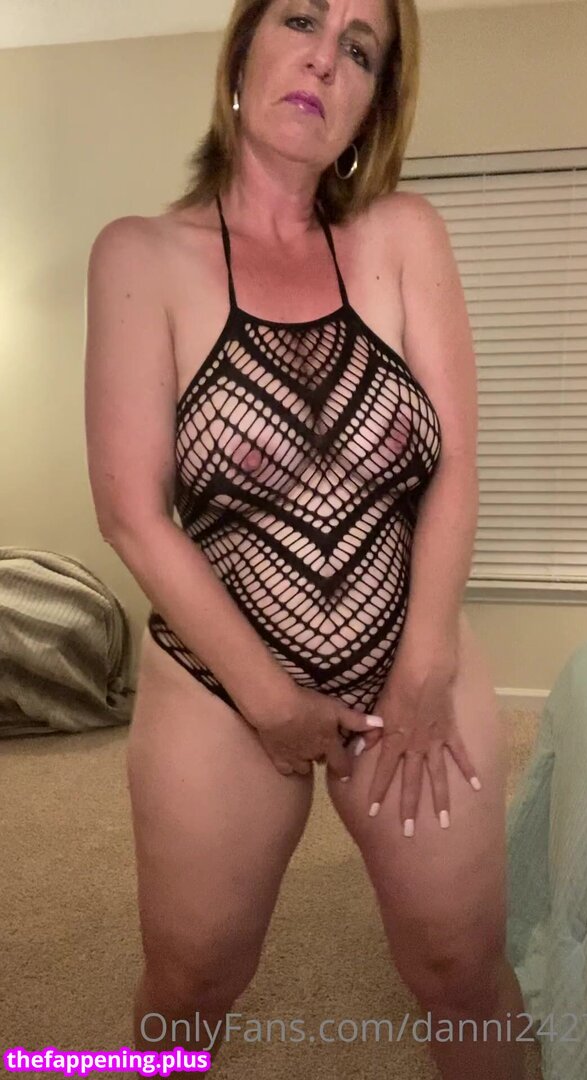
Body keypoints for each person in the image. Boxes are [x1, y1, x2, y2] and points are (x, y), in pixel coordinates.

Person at [84, 1, 527, 1076]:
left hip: (408, 662)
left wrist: (425, 664)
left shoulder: (406, 235)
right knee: (191, 982)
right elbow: (132, 511)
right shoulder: (140, 254)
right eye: (302, 19)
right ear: (243, 50)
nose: (327, 58)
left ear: (374, 103)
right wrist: (270, 701)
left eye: (361, 50)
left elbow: (457, 464)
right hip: (219, 681)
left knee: (460, 966)